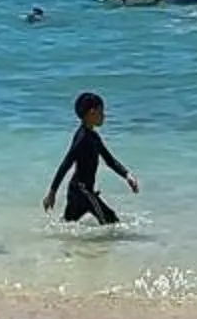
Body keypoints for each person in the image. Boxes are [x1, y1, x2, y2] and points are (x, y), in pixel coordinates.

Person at [46, 90, 139, 224]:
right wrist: (52, 192)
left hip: (77, 191)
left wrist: (127, 175)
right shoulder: (82, 138)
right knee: (111, 222)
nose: (104, 116)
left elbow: (109, 160)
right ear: (92, 113)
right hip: (82, 190)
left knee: (67, 226)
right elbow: (66, 163)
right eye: (101, 112)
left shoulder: (93, 137)